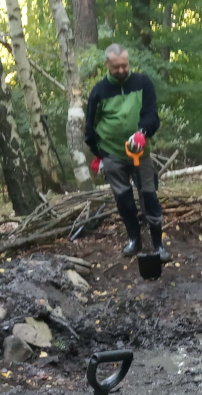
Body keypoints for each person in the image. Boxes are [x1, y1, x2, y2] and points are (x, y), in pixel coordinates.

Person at [85, 44, 168, 262]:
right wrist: (99, 155)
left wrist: (142, 133)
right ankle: (134, 239)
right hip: (112, 154)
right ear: (107, 64)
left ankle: (158, 244)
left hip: (141, 152)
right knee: (124, 199)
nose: (122, 70)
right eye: (116, 67)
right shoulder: (99, 91)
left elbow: (152, 115)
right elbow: (90, 127)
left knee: (149, 195)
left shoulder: (142, 83)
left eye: (125, 66)